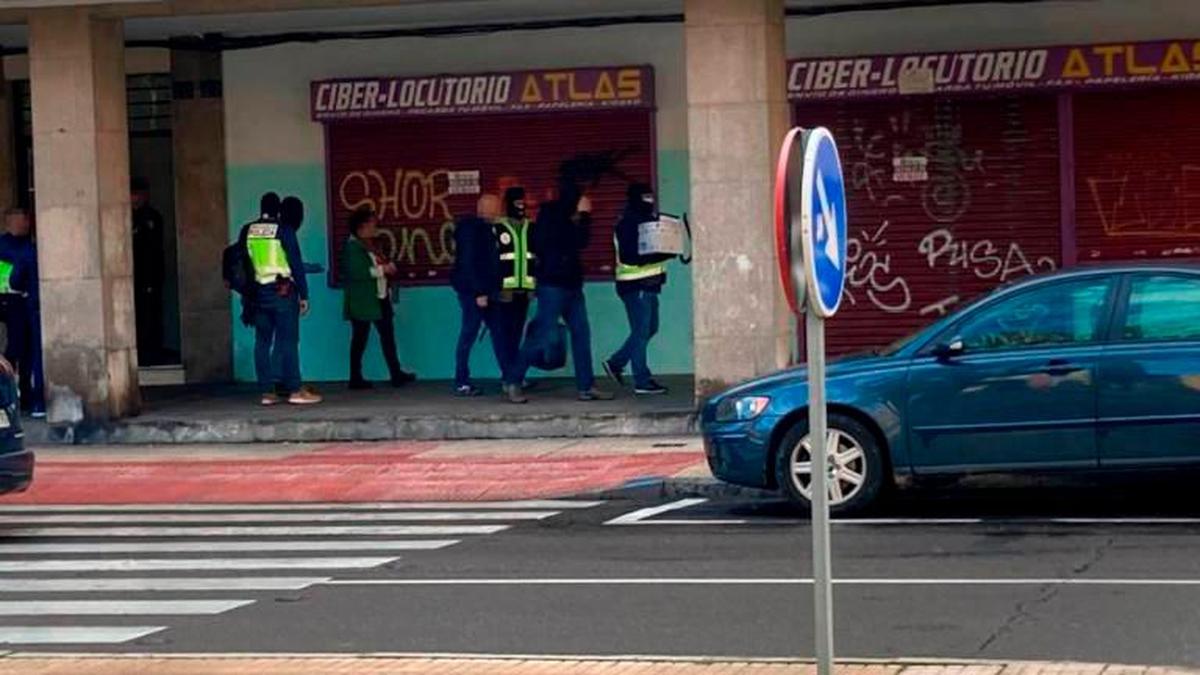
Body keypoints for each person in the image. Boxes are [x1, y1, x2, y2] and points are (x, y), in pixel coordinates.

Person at [506, 182, 612, 404]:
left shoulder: (558, 216)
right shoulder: (554, 218)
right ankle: (513, 381)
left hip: (571, 284)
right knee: (541, 334)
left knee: (582, 335)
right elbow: (577, 241)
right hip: (553, 285)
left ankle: (586, 386)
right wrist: (583, 216)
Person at [246, 195, 321, 406]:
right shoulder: (283, 230)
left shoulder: (249, 231)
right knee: (288, 341)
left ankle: (267, 393)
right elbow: (295, 264)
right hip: (283, 291)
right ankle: (295, 390)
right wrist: (304, 295)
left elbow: (246, 262)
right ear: (278, 211)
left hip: (259, 293)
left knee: (262, 342)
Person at [604, 183, 673, 395]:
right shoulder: (628, 223)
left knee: (649, 328)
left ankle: (617, 362)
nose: (649, 200)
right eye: (645, 197)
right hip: (636, 285)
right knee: (642, 331)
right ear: (635, 198)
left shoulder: (648, 221)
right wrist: (663, 254)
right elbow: (631, 257)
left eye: (651, 196)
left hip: (650, 285)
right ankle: (642, 380)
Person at [341, 206, 416, 390]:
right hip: (364, 301)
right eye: (372, 224)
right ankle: (355, 377)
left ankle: (396, 373)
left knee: (387, 337)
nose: (375, 228)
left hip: (379, 297)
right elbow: (358, 271)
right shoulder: (353, 247)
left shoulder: (371, 246)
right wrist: (384, 270)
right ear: (361, 227)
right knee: (360, 338)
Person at [451, 194, 511, 397]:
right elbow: (470, 264)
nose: (499, 211)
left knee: (499, 333)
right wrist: (479, 292)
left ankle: (509, 377)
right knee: (469, 333)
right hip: (475, 293)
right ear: (487, 209)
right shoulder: (473, 230)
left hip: (486, 291)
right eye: (496, 208)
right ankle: (461, 380)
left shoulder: (484, 229)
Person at [0, 208, 43, 417]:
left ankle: (26, 396)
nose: (25, 225)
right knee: (16, 349)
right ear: (10, 223)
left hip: (24, 304)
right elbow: (11, 279)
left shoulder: (29, 246)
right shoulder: (6, 247)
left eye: (26, 221)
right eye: (21, 221)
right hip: (11, 303)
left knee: (27, 353)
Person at [494, 187, 535, 372]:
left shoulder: (530, 227)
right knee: (506, 336)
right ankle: (509, 375)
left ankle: (514, 375)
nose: (521, 206)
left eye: (523, 202)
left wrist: (534, 286)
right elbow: (493, 259)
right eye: (517, 202)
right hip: (505, 293)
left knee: (517, 334)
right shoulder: (498, 228)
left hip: (524, 291)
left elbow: (535, 258)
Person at [131, 178, 165, 366]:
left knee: (150, 317)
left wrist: (154, 278)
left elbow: (154, 249)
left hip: (149, 275)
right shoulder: (127, 216)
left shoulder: (152, 217)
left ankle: (151, 354)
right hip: (133, 277)